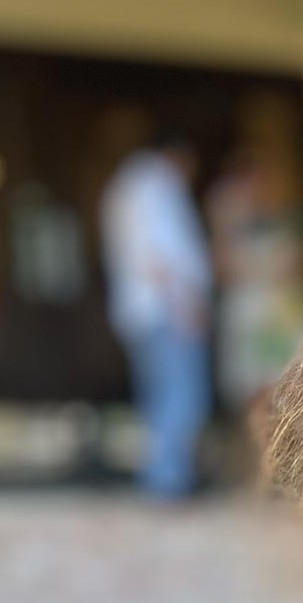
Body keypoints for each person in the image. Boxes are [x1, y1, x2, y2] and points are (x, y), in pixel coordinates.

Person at [98, 128, 213, 499]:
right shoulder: (158, 186)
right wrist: (185, 305)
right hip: (166, 309)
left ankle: (161, 476)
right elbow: (161, 258)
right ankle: (168, 481)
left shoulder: (124, 187)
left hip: (138, 310)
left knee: (158, 396)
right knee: (183, 394)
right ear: (178, 157)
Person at [205, 137, 303, 467]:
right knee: (253, 389)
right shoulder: (228, 222)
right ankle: (260, 463)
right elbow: (222, 267)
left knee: (282, 387)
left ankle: (278, 462)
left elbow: (302, 260)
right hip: (251, 315)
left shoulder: (284, 219)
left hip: (281, 315)